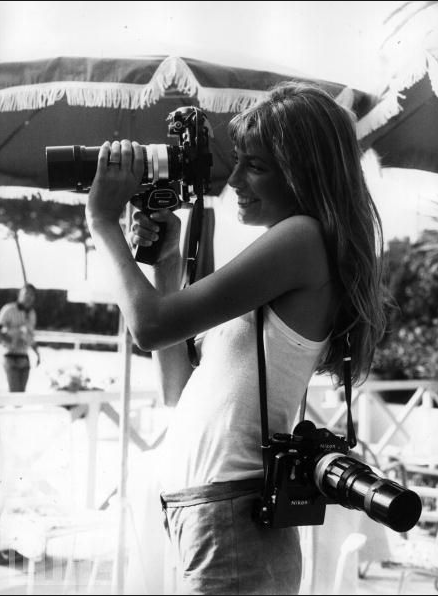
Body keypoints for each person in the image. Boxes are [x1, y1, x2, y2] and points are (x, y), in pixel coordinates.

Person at [86, 81, 386, 595]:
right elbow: (179, 392)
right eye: (239, 161)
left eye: (257, 166)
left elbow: (150, 325)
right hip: (202, 512)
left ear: (303, 175)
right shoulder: (297, 250)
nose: (235, 181)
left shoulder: (303, 238)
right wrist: (166, 261)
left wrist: (101, 220)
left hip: (233, 518)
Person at [0, 283, 40, 392]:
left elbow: (30, 336)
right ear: (20, 294)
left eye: (32, 295)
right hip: (10, 356)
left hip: (24, 358)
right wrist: (10, 339)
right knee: (15, 395)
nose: (29, 297)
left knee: (22, 395)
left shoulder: (32, 314)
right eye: (26, 293)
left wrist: (37, 353)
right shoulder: (8, 309)